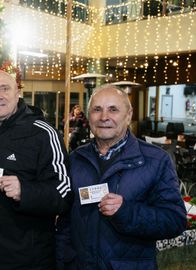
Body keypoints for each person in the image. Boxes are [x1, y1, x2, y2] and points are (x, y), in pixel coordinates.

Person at [57, 84, 187, 270]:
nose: (104, 117)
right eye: (97, 109)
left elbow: (175, 220)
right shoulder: (76, 158)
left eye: (113, 109)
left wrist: (127, 212)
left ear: (128, 115)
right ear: (89, 116)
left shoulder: (155, 160)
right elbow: (64, 222)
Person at [0, 70, 72, 270]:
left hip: (27, 260)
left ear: (17, 93)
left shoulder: (43, 133)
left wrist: (25, 191)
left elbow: (64, 192)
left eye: (5, 88)